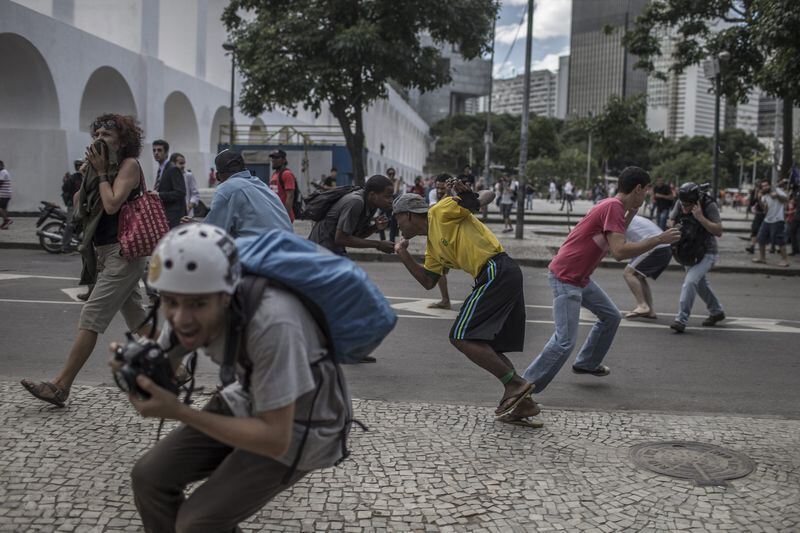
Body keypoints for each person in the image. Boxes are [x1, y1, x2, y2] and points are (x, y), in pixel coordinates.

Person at [125, 223, 352, 532]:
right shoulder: (189, 297)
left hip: (305, 425)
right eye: (170, 302)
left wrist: (178, 411)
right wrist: (136, 369)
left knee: (197, 524)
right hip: (247, 395)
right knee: (149, 478)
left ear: (226, 297)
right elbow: (166, 361)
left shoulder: (273, 324)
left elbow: (275, 439)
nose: (180, 318)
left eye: (198, 304)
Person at [21, 114, 152, 407]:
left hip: (124, 251)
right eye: (98, 133)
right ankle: (179, 369)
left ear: (122, 140)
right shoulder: (97, 168)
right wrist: (89, 175)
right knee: (137, 318)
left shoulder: (129, 166)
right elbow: (81, 208)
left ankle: (60, 386)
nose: (100, 138)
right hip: (104, 252)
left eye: (107, 134)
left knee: (91, 317)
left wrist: (103, 173)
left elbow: (112, 203)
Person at [392, 181, 541, 426]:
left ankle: (516, 384)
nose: (396, 225)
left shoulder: (439, 211)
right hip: (497, 274)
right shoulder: (432, 246)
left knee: (461, 336)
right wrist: (403, 254)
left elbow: (487, 194)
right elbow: (429, 281)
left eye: (397, 218)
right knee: (487, 344)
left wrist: (471, 197)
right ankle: (523, 404)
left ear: (408, 214)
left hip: (496, 270)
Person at [523, 167, 681, 397]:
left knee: (611, 316)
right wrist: (658, 239)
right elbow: (619, 251)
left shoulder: (613, 207)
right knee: (564, 341)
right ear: (638, 188)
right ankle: (523, 388)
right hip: (566, 277)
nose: (647, 195)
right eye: (645, 190)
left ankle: (587, 362)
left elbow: (613, 235)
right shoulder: (612, 207)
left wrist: (632, 214)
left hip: (579, 277)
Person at [667, 182, 725, 333]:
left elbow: (718, 231)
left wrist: (701, 218)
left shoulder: (708, 204)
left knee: (690, 282)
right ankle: (716, 311)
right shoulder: (681, 202)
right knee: (700, 284)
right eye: (683, 204)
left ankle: (681, 320)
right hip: (688, 250)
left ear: (696, 201)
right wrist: (674, 228)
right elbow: (671, 220)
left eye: (688, 205)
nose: (684, 208)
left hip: (707, 251)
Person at [200, 149, 292, 237]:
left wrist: (194, 226)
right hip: (291, 246)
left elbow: (212, 232)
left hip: (265, 250)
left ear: (217, 176)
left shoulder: (227, 188)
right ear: (244, 169)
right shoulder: (259, 183)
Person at [308, 174, 395, 257]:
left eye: (392, 197)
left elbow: (356, 236)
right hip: (320, 248)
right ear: (372, 195)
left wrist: (375, 227)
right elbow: (341, 239)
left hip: (332, 248)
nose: (391, 201)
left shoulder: (372, 204)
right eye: (387, 196)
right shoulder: (356, 202)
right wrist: (378, 244)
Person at [622, 215, 673, 319]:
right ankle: (650, 311)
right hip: (664, 248)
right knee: (638, 276)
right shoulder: (632, 216)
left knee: (628, 273)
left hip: (656, 247)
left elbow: (619, 247)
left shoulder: (621, 219)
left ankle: (642, 306)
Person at [427, 174, 452, 310]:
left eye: (443, 188)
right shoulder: (433, 193)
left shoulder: (455, 193)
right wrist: (446, 194)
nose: (440, 191)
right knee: (440, 269)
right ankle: (445, 300)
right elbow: (433, 210)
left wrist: (449, 193)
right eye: (438, 188)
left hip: (455, 235)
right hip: (439, 235)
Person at [752, 179, 790, 267]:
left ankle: (785, 260)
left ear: (769, 185)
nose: (765, 187)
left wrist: (777, 196)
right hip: (767, 219)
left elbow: (786, 199)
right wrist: (759, 199)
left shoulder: (777, 190)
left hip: (777, 219)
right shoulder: (764, 195)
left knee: (779, 240)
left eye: (766, 185)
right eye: (763, 186)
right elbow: (765, 209)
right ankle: (762, 258)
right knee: (761, 238)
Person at [151, 139, 187, 228]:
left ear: (166, 152)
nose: (156, 153)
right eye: (154, 150)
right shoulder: (161, 169)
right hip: (165, 214)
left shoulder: (172, 169)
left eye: (159, 150)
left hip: (174, 216)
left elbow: (180, 192)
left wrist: (159, 195)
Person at [268, 149, 298, 222]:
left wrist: (285, 216)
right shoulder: (275, 174)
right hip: (275, 214)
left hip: (283, 216)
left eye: (277, 158)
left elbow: (290, 196)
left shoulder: (287, 174)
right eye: (272, 158)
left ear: (284, 160)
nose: (273, 160)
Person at [169, 153, 200, 217]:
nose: (183, 166)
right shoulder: (168, 177)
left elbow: (195, 194)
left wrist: (189, 206)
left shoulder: (188, 176)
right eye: (180, 163)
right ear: (172, 164)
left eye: (184, 163)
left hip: (187, 215)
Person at [0, 161, 12, 229]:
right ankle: (5, 225)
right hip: (6, 193)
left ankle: (7, 220)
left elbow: (0, 183)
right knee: (4, 209)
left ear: (1, 165)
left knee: (1, 209)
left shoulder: (3, 172)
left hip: (4, 194)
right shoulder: (4, 172)